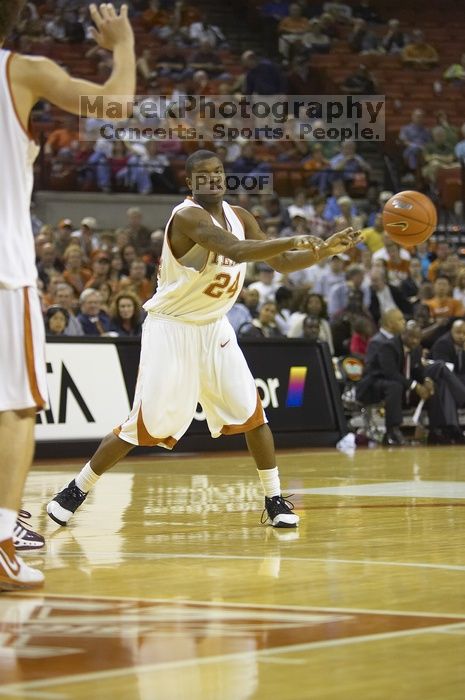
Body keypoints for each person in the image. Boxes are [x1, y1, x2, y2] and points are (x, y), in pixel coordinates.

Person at [47, 149, 361, 531]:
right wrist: (293, 238)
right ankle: (76, 489)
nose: (213, 178)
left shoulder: (241, 216)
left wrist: (325, 250)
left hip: (214, 325)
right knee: (143, 424)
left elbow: (279, 264)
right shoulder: (186, 216)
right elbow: (236, 250)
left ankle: (274, 498)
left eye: (219, 171)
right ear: (190, 182)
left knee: (253, 414)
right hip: (171, 327)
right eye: (204, 174)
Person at [0, 2, 135, 592]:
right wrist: (123, 44)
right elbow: (117, 104)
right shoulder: (21, 70)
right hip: (4, 271)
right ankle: (2, 541)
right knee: (15, 409)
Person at [431, 319, 465, 385]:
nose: (462, 336)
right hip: (440, 380)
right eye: (458, 332)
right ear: (451, 331)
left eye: (464, 333)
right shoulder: (443, 344)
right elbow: (445, 370)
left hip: (455, 377)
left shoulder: (462, 344)